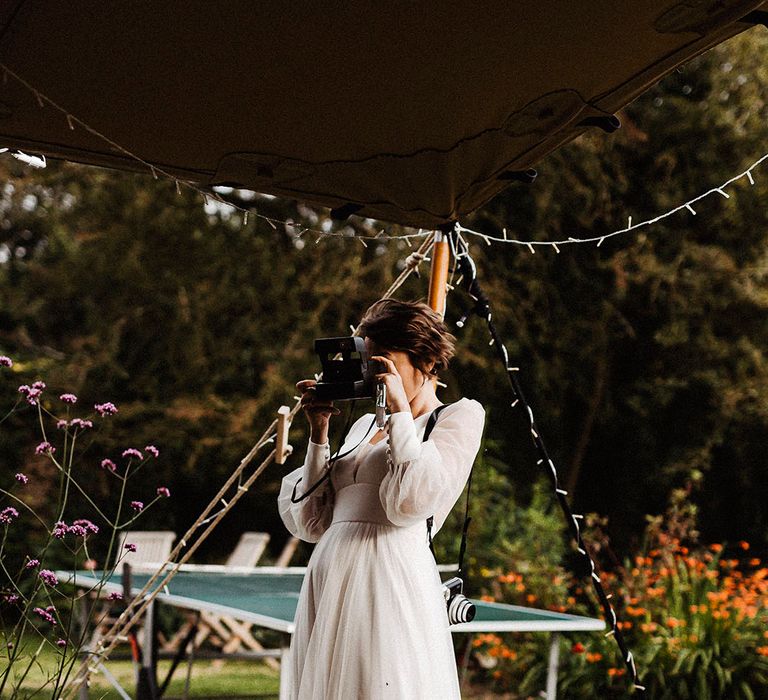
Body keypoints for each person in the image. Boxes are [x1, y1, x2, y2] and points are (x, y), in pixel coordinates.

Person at [277, 298, 485, 699]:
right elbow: (311, 521)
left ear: (429, 363)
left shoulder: (458, 417)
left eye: (382, 363)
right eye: (368, 362)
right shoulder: (360, 425)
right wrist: (319, 431)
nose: (373, 375)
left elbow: (409, 504)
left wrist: (400, 411)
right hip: (330, 572)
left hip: (386, 574)